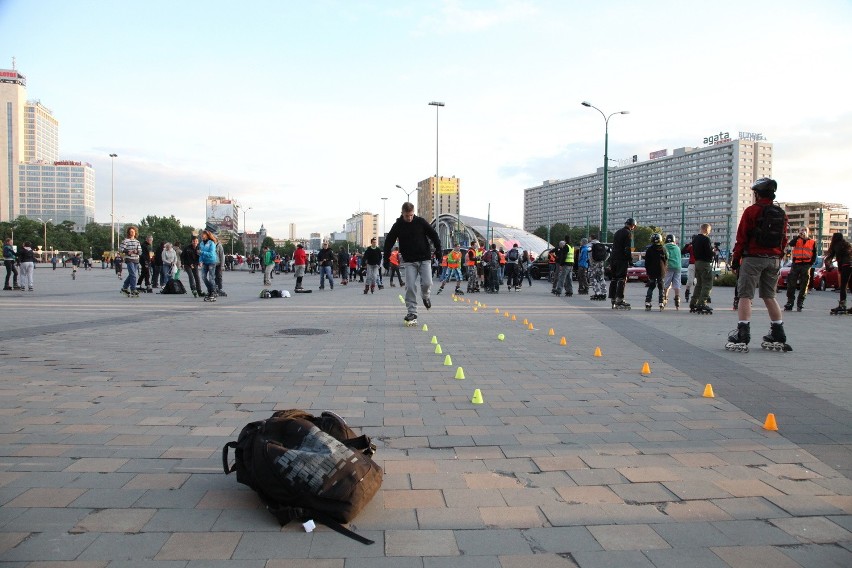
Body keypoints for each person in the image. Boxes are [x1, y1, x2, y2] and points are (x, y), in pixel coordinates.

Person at [727, 178, 790, 351]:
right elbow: (783, 239)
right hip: (774, 259)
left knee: (745, 295)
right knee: (770, 296)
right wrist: (778, 256)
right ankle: (778, 332)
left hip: (753, 257)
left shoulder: (751, 211)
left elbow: (742, 238)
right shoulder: (780, 213)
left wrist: (735, 260)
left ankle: (743, 333)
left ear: (757, 194)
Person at [383, 202, 442, 324]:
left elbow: (434, 234)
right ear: (402, 213)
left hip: (424, 258)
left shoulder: (420, 222)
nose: (409, 218)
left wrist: (439, 250)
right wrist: (386, 258)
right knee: (410, 286)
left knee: (427, 283)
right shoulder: (398, 225)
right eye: (406, 215)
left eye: (411, 215)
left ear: (413, 212)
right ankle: (412, 312)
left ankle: (425, 296)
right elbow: (389, 241)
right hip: (409, 261)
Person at [785, 226, 818, 311]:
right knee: (791, 284)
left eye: (805, 230)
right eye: (801, 230)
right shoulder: (797, 240)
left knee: (804, 284)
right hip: (796, 264)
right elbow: (791, 244)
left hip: (806, 265)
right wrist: (798, 236)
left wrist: (811, 263)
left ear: (808, 232)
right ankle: (790, 302)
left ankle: (800, 303)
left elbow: (814, 254)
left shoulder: (812, 242)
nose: (803, 232)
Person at [609, 218, 635, 309]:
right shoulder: (628, 233)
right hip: (621, 259)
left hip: (613, 258)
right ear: (632, 225)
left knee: (614, 278)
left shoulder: (617, 232)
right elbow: (627, 248)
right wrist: (630, 260)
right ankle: (619, 299)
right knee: (622, 279)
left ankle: (612, 298)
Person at [824, 232, 852, 315]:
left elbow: (832, 257)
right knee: (851, 285)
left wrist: (828, 266)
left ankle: (842, 305)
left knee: (843, 286)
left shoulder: (836, 245)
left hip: (846, 265)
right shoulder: (847, 244)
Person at [689, 223, 714, 314]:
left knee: (699, 284)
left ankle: (693, 302)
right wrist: (713, 252)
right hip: (705, 263)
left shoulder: (695, 239)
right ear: (706, 229)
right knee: (707, 283)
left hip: (697, 262)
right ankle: (702, 303)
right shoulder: (705, 239)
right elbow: (708, 252)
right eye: (709, 230)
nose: (709, 232)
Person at [643, 234, 668, 310]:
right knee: (661, 286)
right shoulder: (663, 249)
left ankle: (648, 302)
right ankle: (661, 302)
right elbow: (666, 259)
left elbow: (646, 262)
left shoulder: (649, 249)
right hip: (661, 270)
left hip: (652, 270)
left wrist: (648, 271)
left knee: (651, 285)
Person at [120, 226, 142, 297]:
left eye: (133, 231)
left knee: (131, 275)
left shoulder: (137, 241)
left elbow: (140, 252)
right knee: (133, 275)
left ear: (135, 232)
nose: (132, 233)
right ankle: (133, 289)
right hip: (129, 259)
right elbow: (120, 249)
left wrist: (137, 251)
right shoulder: (125, 241)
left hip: (136, 259)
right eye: (130, 231)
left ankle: (124, 287)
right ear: (128, 233)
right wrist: (127, 251)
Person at [662, 234, 682, 310]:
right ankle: (677, 299)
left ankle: (665, 298)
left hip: (669, 267)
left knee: (666, 284)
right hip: (677, 267)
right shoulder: (677, 248)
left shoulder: (665, 247)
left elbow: (666, 257)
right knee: (677, 284)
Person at [198, 230, 219, 301]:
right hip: (204, 262)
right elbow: (200, 254)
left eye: (203, 235)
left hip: (212, 261)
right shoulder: (201, 244)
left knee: (211, 278)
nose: (202, 236)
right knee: (203, 277)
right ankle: (210, 290)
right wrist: (200, 261)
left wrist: (202, 252)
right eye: (202, 235)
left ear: (207, 235)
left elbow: (211, 254)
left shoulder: (211, 243)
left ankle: (213, 292)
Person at [587, 234, 608, 301]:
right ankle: (604, 293)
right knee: (601, 278)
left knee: (592, 278)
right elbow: (609, 251)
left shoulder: (590, 245)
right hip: (601, 264)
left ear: (591, 238)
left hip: (593, 264)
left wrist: (591, 261)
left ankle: (597, 293)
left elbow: (588, 253)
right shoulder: (602, 245)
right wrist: (604, 259)